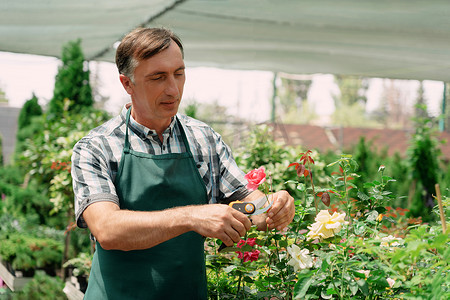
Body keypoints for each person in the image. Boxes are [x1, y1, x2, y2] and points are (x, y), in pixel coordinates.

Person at [71, 27, 295, 299]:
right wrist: (191, 217)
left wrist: (273, 207)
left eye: (179, 73)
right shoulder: (98, 146)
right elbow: (108, 229)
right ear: (127, 83)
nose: (173, 89)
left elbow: (249, 202)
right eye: (158, 77)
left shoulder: (203, 139)